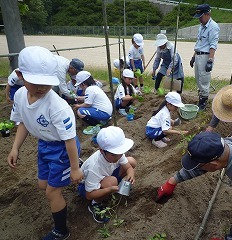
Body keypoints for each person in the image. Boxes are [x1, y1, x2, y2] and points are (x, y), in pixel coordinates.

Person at [7, 46, 83, 240]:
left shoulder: (57, 107)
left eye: (47, 83)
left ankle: (61, 231)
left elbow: (68, 140)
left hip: (64, 148)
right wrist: (15, 147)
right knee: (43, 185)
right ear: (20, 75)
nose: (42, 87)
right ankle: (71, 170)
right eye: (36, 82)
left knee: (52, 192)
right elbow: (23, 121)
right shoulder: (19, 96)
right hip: (44, 144)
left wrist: (74, 168)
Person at [78, 126, 137, 223]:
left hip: (105, 175)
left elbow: (129, 167)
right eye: (114, 154)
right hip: (86, 188)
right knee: (111, 182)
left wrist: (130, 175)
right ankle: (95, 204)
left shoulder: (117, 155)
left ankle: (115, 186)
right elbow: (89, 194)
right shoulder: (94, 167)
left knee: (131, 161)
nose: (118, 157)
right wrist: (109, 190)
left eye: (120, 153)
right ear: (102, 151)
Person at [189, 4, 220, 110]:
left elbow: (213, 45)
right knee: (198, 79)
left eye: (201, 17)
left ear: (207, 14)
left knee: (204, 81)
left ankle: (203, 103)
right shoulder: (201, 26)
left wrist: (210, 60)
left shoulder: (213, 27)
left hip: (206, 56)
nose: (199, 19)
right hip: (198, 55)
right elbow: (199, 43)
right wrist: (193, 56)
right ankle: (200, 99)